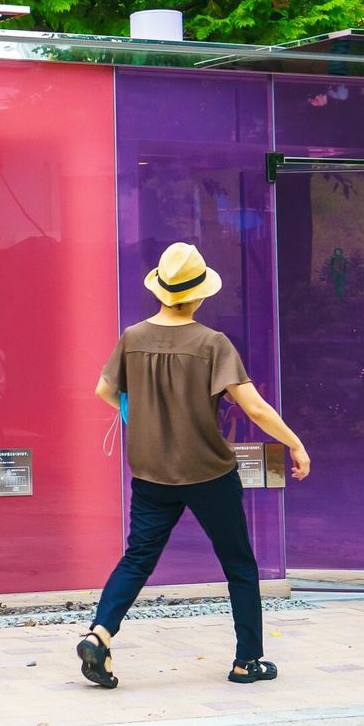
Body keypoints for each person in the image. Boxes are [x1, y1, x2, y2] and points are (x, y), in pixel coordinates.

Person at [78, 243, 310, 689]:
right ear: (199, 295)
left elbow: (103, 391)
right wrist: (296, 444)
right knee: (239, 565)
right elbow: (256, 410)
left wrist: (137, 416)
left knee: (137, 559)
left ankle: (99, 633)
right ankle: (247, 662)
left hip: (150, 474)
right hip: (208, 472)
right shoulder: (212, 343)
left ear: (161, 291)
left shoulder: (133, 337)